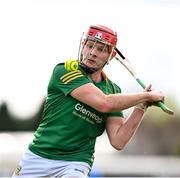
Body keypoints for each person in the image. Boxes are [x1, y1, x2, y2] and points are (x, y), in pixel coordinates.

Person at [12, 24, 164, 178]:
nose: (92, 53)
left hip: (76, 162)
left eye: (100, 49)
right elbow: (104, 103)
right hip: (39, 156)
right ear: (82, 45)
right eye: (89, 46)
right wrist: (145, 96)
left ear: (111, 56)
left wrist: (141, 106)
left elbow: (118, 141)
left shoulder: (113, 90)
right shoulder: (66, 70)